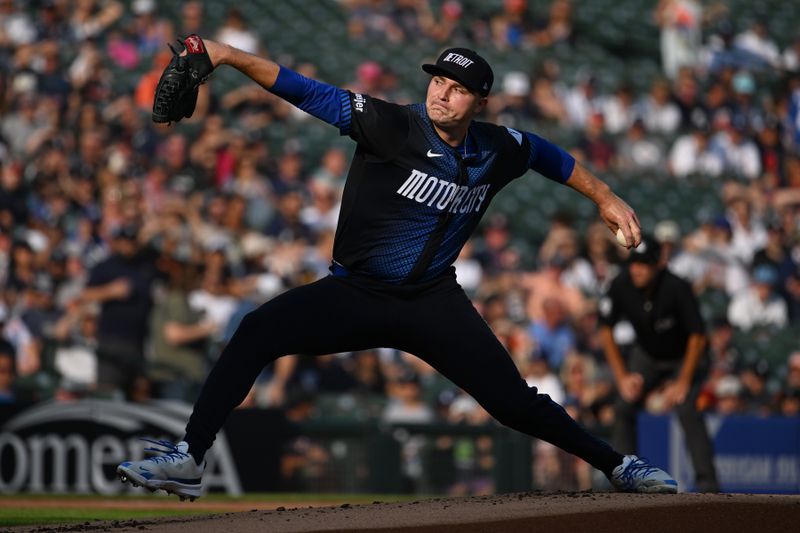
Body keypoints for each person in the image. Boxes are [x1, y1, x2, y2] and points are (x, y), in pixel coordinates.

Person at [116, 38, 677, 499]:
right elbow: (303, 90)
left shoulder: (498, 147)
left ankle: (618, 465)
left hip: (432, 301)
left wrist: (604, 197)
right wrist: (228, 55)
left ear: (479, 100)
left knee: (512, 403)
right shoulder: (390, 126)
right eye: (438, 81)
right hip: (356, 293)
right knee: (256, 331)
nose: (442, 93)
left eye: (457, 89)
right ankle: (189, 456)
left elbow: (548, 156)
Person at [598, 235, 719, 492]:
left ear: (657, 265)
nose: (637, 270)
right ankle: (625, 477)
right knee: (623, 406)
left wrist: (683, 381)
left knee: (687, 409)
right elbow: (605, 330)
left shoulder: (676, 287)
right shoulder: (621, 285)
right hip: (649, 356)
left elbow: (697, 337)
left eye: (643, 264)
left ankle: (708, 485)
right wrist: (622, 378)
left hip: (684, 357)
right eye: (633, 263)